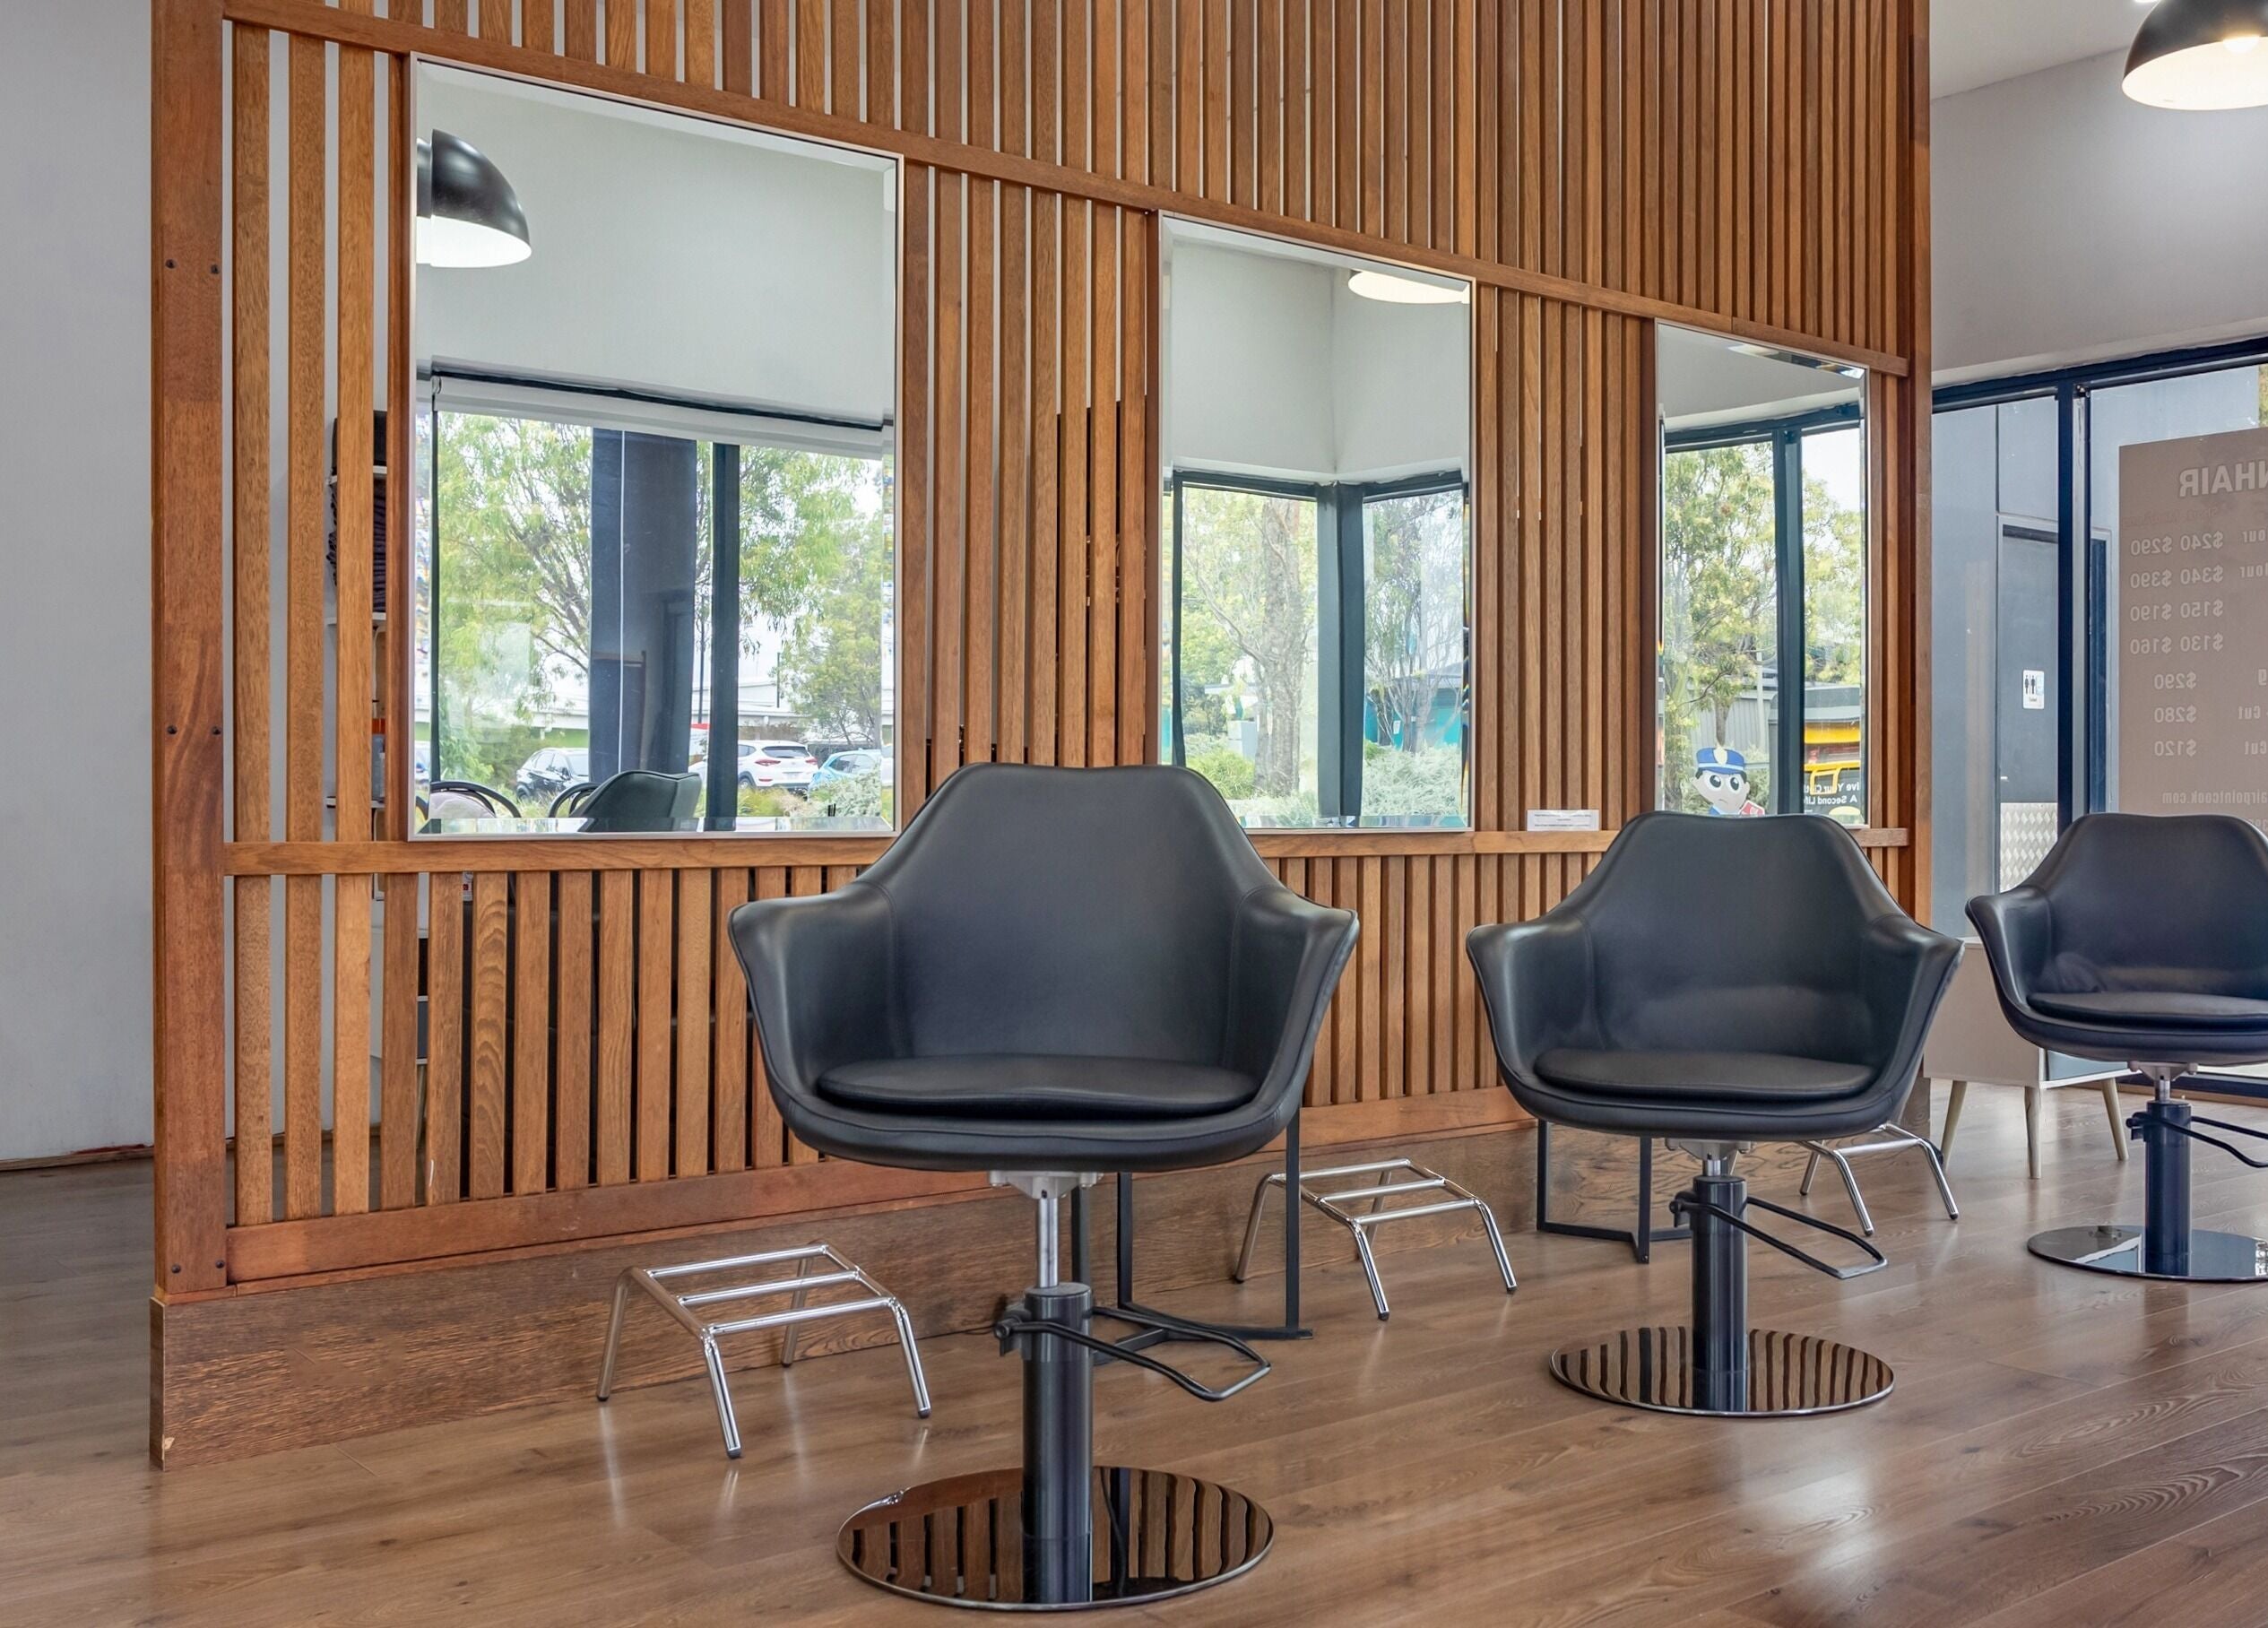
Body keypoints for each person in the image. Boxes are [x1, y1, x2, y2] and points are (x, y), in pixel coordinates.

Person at [1692, 745, 1765, 817]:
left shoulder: (1744, 813)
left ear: (1746, 787)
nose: (1725, 791)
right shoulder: (1713, 816)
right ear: (1697, 782)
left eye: (1734, 784)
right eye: (1715, 782)